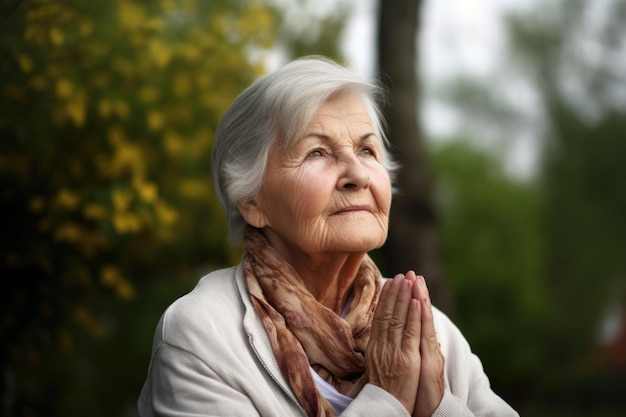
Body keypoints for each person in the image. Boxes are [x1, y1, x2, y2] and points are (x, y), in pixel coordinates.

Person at [138, 56, 519, 417]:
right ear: (252, 201)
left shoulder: (431, 333)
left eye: (367, 150)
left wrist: (437, 406)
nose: (358, 174)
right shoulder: (202, 336)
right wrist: (387, 399)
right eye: (317, 152)